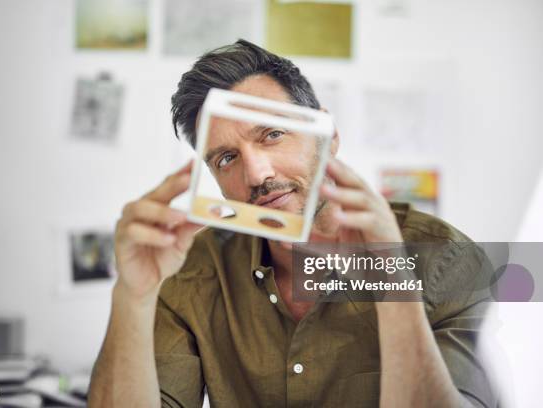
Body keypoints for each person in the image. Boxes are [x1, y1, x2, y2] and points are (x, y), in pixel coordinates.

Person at [88, 40, 497, 407]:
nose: (256, 173)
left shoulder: (451, 261)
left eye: (272, 134)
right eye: (226, 158)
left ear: (328, 135)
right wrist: (131, 295)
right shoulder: (189, 268)